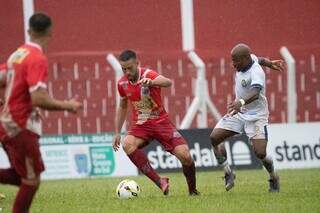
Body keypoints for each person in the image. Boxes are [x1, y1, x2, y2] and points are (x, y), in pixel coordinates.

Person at [0, 13, 82, 213]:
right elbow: (39, 98)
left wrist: (7, 99)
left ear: (29, 31)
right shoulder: (37, 58)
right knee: (31, 180)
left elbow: (2, 78)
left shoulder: (17, 54)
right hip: (20, 124)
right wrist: (67, 105)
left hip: (8, 121)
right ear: (50, 31)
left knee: (24, 177)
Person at [112, 50, 199, 196]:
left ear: (137, 63)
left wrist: (152, 82)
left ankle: (193, 191)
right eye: (123, 69)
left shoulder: (147, 75)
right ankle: (160, 181)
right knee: (127, 144)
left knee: (185, 156)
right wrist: (116, 132)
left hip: (161, 123)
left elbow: (168, 82)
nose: (127, 72)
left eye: (130, 68)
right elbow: (122, 106)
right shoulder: (122, 84)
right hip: (141, 125)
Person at [210, 43, 282, 192]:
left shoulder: (256, 72)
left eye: (235, 60)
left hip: (256, 116)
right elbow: (259, 58)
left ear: (245, 59)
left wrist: (240, 102)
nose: (233, 64)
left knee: (260, 153)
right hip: (239, 112)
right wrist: (270, 63)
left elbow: (255, 92)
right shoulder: (252, 59)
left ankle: (273, 177)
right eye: (232, 60)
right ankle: (228, 173)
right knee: (214, 138)